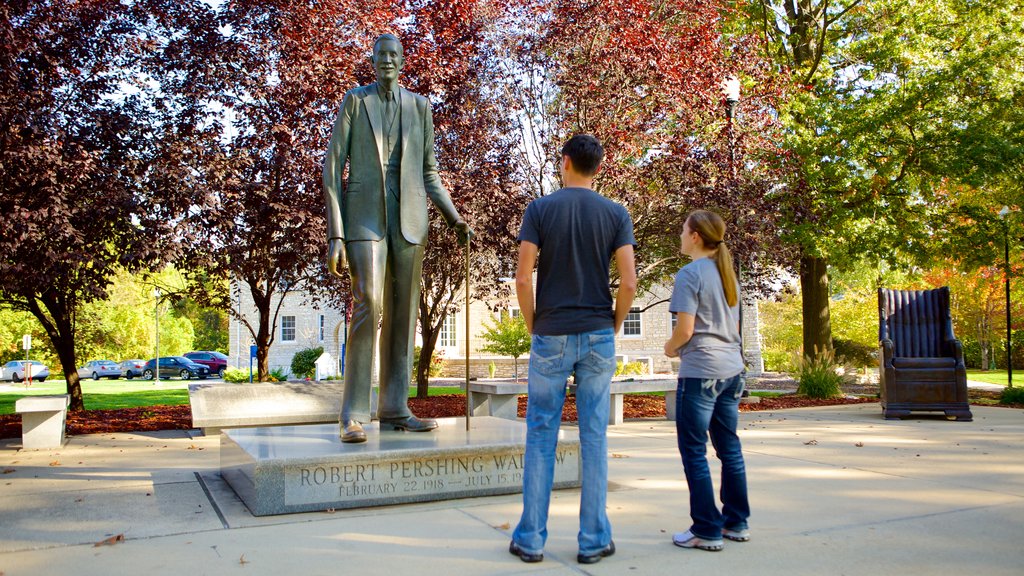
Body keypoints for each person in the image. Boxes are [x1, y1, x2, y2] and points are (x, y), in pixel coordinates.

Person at [322, 33, 473, 443]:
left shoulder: (419, 106)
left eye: (393, 55)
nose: (387, 60)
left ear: (402, 61)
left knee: (405, 315)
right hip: (364, 220)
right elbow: (332, 168)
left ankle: (394, 407)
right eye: (380, 55)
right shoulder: (356, 102)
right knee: (369, 301)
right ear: (372, 60)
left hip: (409, 221)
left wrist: (454, 218)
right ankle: (352, 413)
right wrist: (336, 233)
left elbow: (429, 173)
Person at [509, 134, 637, 565]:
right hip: (598, 332)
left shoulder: (540, 209)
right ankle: (594, 539)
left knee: (541, 435)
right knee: (594, 436)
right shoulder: (616, 213)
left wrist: (534, 325)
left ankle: (530, 539)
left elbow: (524, 279)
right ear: (597, 167)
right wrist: (614, 325)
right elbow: (630, 282)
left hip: (552, 333)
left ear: (565, 162)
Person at [663, 209, 750, 551]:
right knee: (729, 448)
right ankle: (736, 522)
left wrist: (670, 349)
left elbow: (685, 330)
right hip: (732, 371)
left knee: (694, 451)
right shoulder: (727, 274)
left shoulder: (690, 273)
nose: (681, 236)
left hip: (701, 372)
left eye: (684, 231)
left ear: (696, 235)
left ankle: (706, 529)